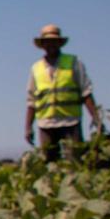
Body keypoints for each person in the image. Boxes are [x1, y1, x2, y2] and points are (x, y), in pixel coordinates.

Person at [25, 24, 100, 162]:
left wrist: (96, 118)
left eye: (54, 41)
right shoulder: (36, 68)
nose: (51, 45)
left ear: (60, 43)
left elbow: (86, 92)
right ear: (43, 44)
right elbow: (31, 101)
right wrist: (28, 127)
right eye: (47, 42)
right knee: (49, 164)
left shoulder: (73, 63)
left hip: (70, 122)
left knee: (75, 162)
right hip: (46, 124)